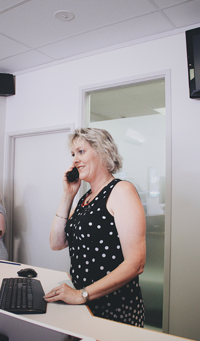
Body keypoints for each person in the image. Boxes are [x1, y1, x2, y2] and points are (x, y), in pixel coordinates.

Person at [45, 128, 146, 327]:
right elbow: (57, 243)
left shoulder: (121, 191)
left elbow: (136, 263)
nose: (74, 159)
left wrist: (81, 294)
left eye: (81, 152)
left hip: (114, 309)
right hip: (84, 304)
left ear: (103, 152)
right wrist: (68, 195)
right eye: (73, 154)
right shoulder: (85, 198)